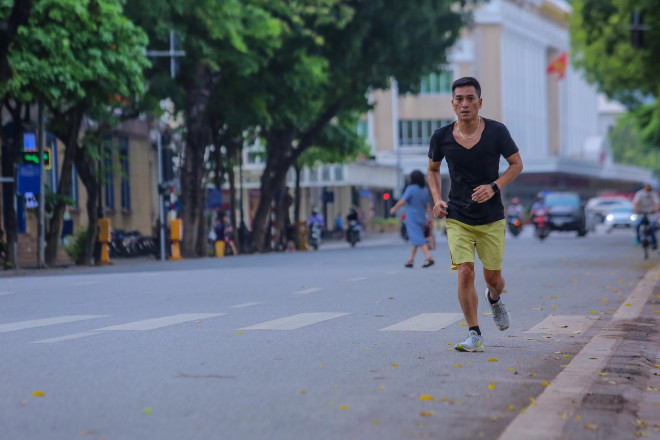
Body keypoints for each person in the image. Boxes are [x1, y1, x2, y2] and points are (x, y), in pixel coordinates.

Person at [427, 77, 523, 352]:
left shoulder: (497, 132)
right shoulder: (441, 137)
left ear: (480, 103)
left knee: (493, 279)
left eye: (470, 98)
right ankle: (474, 333)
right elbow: (433, 170)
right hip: (457, 215)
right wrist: (436, 200)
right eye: (460, 99)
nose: (465, 103)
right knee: (465, 272)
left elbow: (516, 164)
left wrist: (495, 187)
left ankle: (494, 298)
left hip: (491, 216)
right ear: (453, 104)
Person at [389, 170, 435, 268]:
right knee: (416, 238)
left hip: (412, 218)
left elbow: (402, 201)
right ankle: (411, 260)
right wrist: (430, 218)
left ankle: (429, 258)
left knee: (418, 239)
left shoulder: (411, 189)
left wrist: (394, 208)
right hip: (422, 218)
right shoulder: (425, 190)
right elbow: (427, 206)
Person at [633, 182, 659, 249]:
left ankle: (654, 242)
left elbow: (657, 203)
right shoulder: (639, 194)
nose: (648, 188)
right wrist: (636, 209)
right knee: (637, 225)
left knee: (652, 227)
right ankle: (638, 239)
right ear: (644, 187)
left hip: (651, 213)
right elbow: (635, 203)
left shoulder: (654, 194)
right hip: (641, 213)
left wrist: (655, 210)